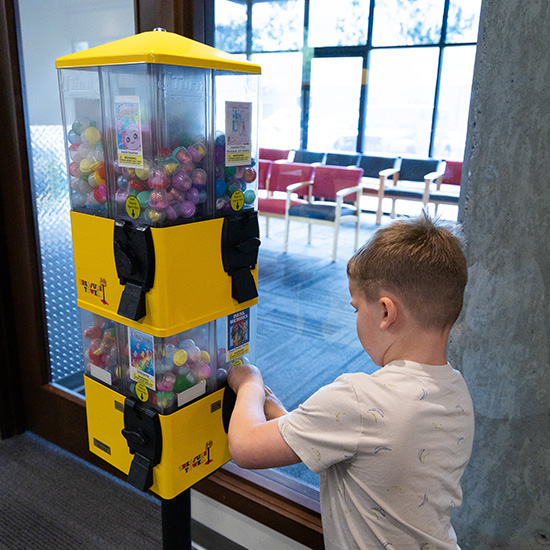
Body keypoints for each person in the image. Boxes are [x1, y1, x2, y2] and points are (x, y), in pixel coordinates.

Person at [228, 212, 475, 550]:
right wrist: (281, 414)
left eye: (356, 308)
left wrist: (249, 384)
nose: (356, 317)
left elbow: (244, 447)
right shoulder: (455, 390)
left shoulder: (360, 398)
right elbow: (366, 453)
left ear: (386, 312)